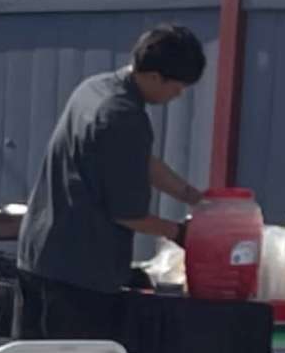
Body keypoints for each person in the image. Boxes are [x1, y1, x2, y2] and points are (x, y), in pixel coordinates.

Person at [15, 23, 206, 335]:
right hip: (77, 273)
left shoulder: (94, 88)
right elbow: (128, 214)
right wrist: (181, 235)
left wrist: (192, 196)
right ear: (155, 76)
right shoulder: (123, 116)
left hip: (39, 255)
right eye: (177, 86)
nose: (178, 95)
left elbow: (139, 161)